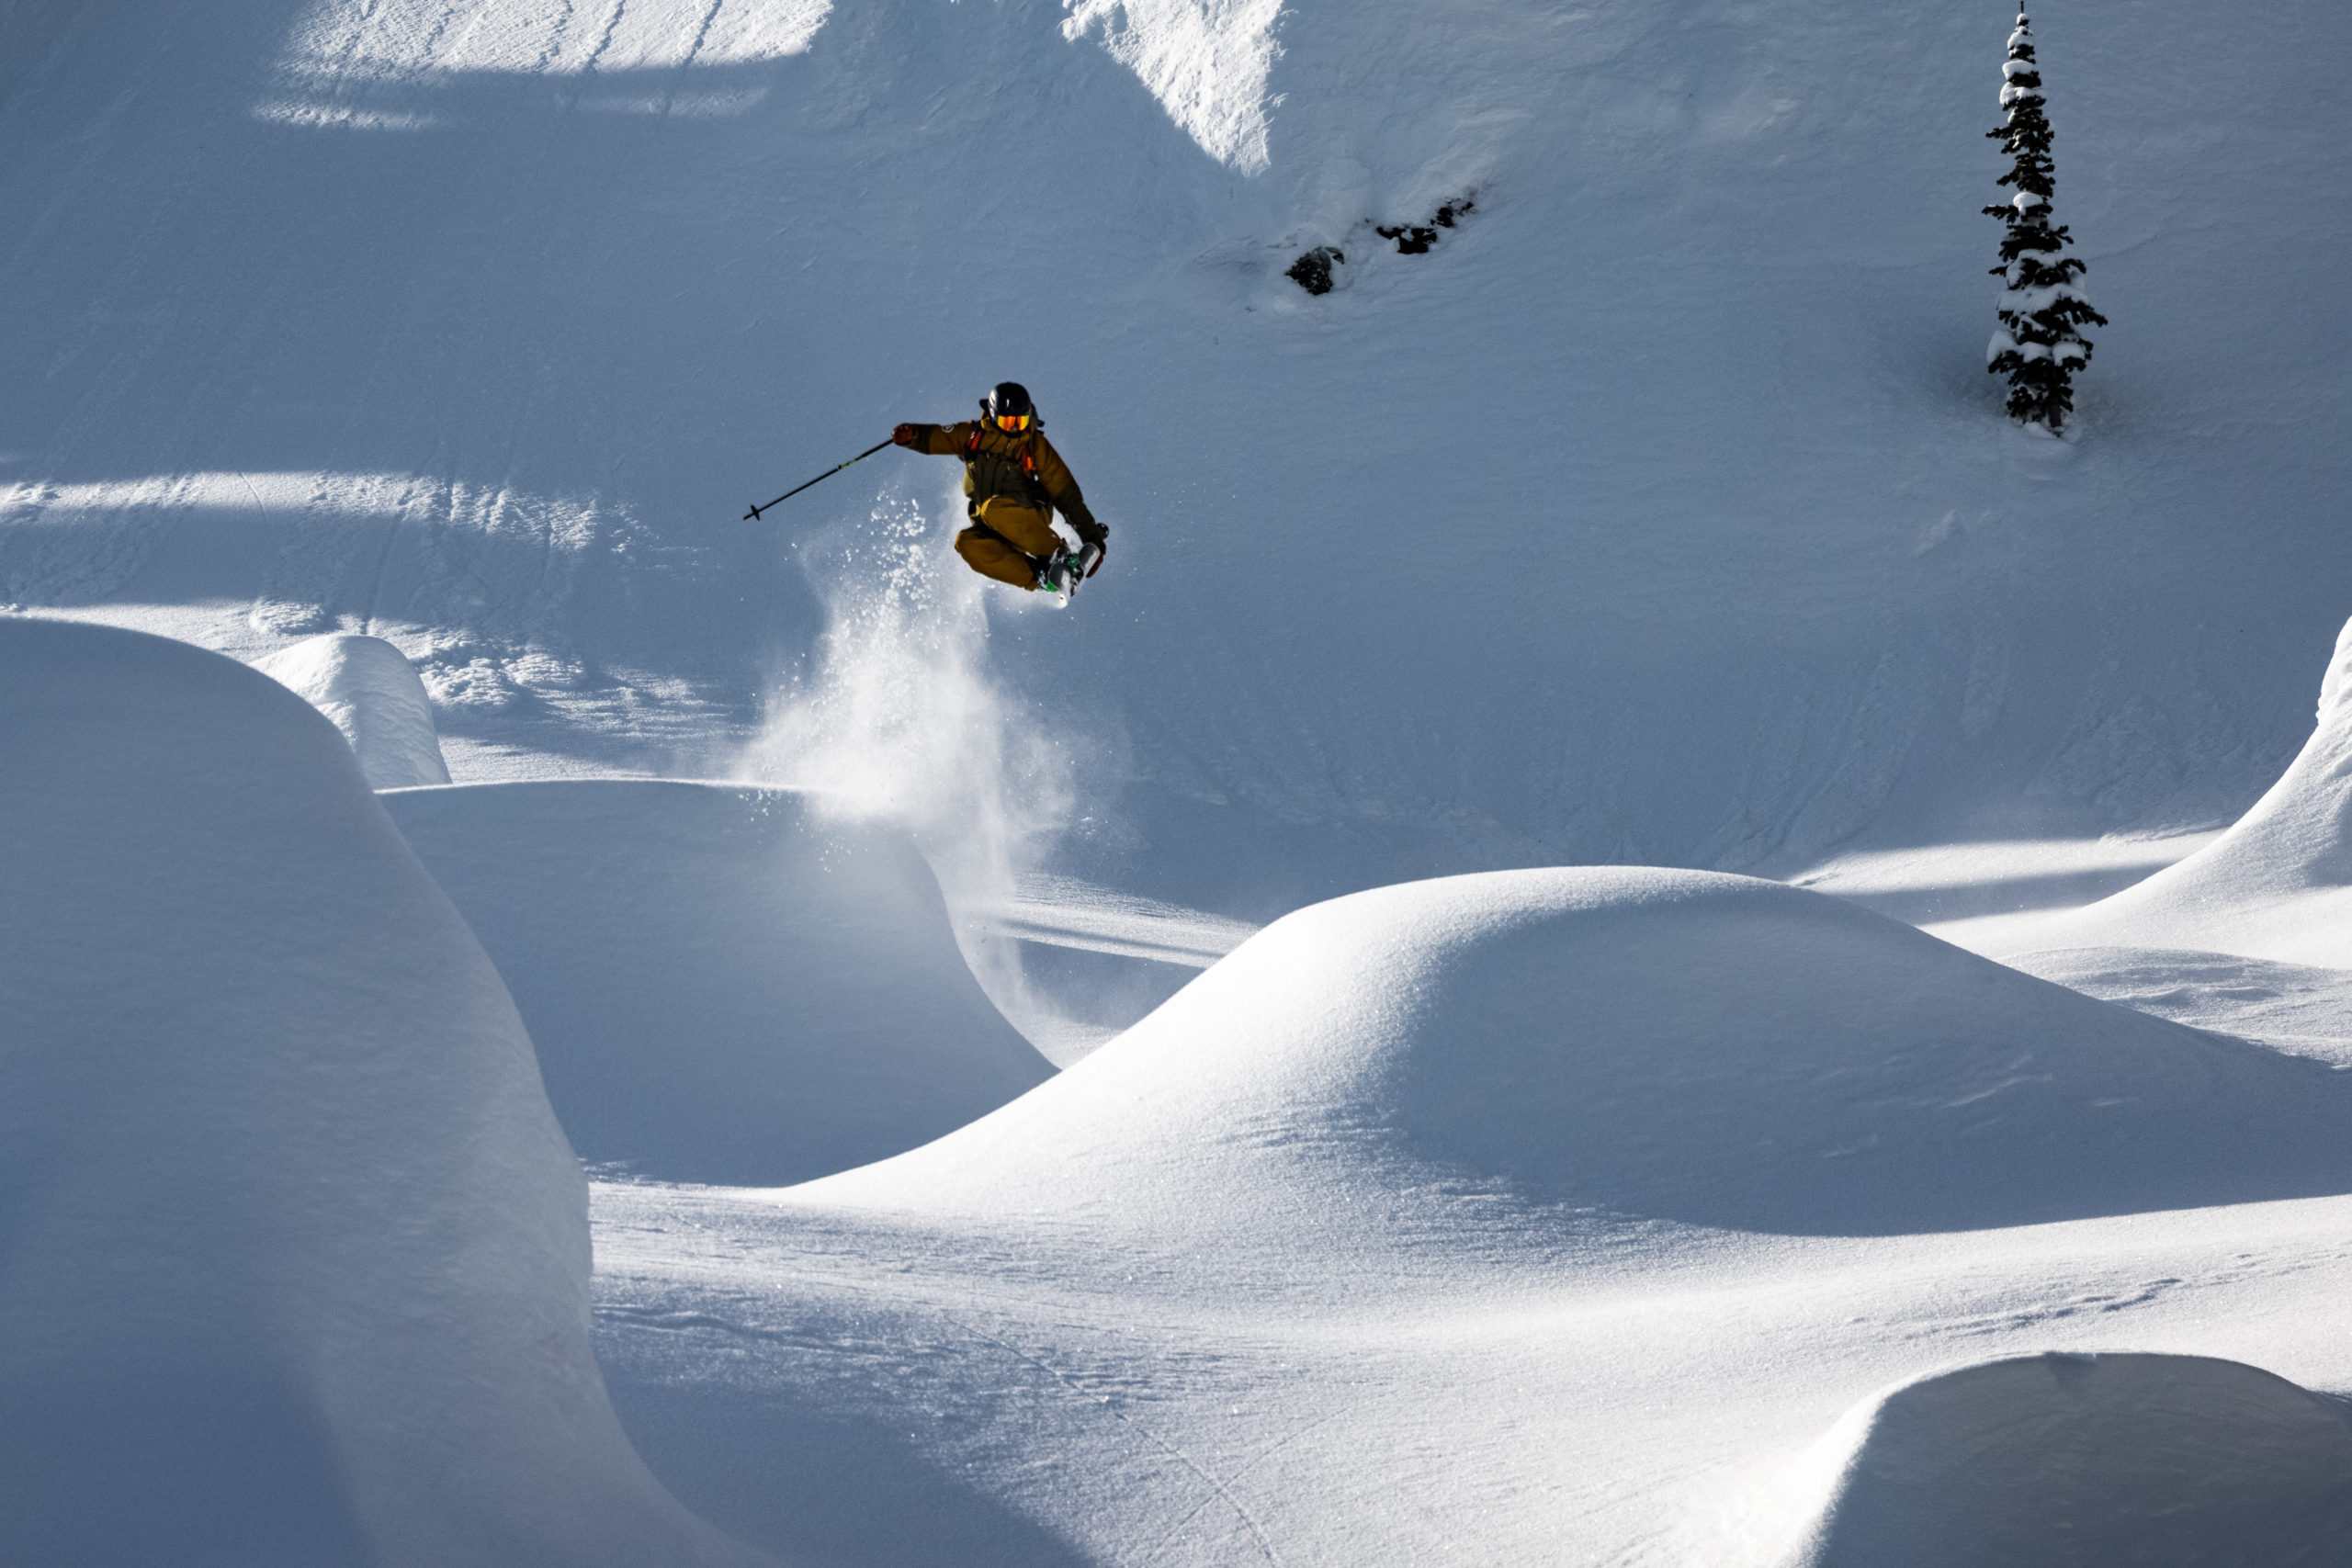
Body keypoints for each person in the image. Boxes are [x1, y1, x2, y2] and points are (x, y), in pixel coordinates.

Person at [892, 383, 1108, 592]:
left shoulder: (1033, 445)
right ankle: (1041, 577)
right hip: (991, 523)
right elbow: (939, 437)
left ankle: (1059, 555)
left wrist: (1092, 538)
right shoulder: (973, 435)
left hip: (1028, 513)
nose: (1014, 427)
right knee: (966, 543)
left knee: (994, 508)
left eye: (1020, 421)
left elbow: (1065, 492)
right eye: (1007, 421)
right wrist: (913, 435)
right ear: (993, 416)